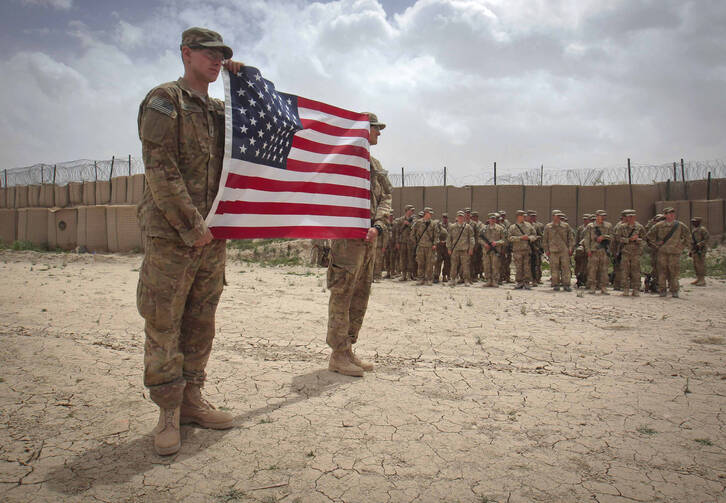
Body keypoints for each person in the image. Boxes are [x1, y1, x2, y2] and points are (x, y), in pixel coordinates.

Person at [136, 27, 242, 455]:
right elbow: (159, 169)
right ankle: (167, 411)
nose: (216, 61)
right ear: (186, 54)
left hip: (212, 237)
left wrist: (242, 80)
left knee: (201, 320)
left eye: (222, 56)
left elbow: (252, 127)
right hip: (172, 236)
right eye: (209, 54)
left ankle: (193, 400)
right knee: (164, 322)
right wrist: (191, 226)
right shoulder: (165, 101)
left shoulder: (219, 110)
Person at [327, 112, 392, 375]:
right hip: (348, 242)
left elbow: (387, 195)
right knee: (342, 294)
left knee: (361, 294)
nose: (379, 134)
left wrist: (378, 224)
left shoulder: (374, 164)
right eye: (376, 129)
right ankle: (337, 354)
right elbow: (329, 195)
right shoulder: (343, 161)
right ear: (363, 131)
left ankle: (349, 348)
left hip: (369, 240)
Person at [645, 207, 691, 297]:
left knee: (674, 272)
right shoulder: (659, 225)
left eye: (673, 213)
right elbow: (649, 236)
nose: (672, 215)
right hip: (662, 252)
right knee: (662, 272)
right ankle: (662, 290)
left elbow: (688, 236)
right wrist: (656, 244)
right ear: (665, 215)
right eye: (669, 213)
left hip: (674, 253)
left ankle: (674, 290)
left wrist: (681, 246)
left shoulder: (679, 225)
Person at [613, 209, 645, 296]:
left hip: (636, 252)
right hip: (625, 252)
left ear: (635, 217)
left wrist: (638, 241)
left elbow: (644, 239)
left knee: (636, 271)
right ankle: (625, 288)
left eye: (632, 217)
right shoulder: (621, 227)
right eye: (628, 217)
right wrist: (628, 239)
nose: (630, 219)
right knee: (625, 271)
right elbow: (617, 238)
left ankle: (636, 289)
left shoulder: (639, 227)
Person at [543, 210, 575, 291]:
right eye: (557, 216)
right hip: (553, 250)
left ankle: (566, 284)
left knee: (566, 268)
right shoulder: (548, 227)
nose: (558, 218)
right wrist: (546, 250)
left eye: (559, 216)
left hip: (564, 250)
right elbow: (545, 240)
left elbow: (571, 238)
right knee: (554, 268)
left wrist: (571, 248)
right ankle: (555, 284)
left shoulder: (566, 226)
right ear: (553, 216)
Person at [583, 210, 613, 295]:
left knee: (604, 270)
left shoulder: (608, 226)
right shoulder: (590, 226)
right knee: (592, 269)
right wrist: (588, 250)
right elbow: (587, 239)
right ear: (596, 216)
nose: (602, 217)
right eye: (600, 216)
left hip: (604, 250)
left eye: (603, 216)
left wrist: (604, 237)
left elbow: (612, 237)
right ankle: (592, 286)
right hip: (594, 250)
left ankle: (603, 287)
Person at [508, 210, 536, 290]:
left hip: (527, 250)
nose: (524, 217)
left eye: (524, 216)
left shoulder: (529, 226)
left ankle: (527, 282)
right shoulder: (512, 227)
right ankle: (519, 282)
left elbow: (534, 235)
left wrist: (529, 238)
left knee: (527, 267)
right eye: (522, 216)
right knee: (519, 267)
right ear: (518, 217)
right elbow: (509, 238)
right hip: (517, 250)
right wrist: (520, 238)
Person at [447, 210, 475, 287]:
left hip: (464, 250)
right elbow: (449, 238)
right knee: (453, 265)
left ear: (464, 218)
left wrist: (471, 248)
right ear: (456, 217)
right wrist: (449, 248)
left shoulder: (468, 227)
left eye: (461, 217)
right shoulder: (452, 227)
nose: (460, 218)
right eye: (459, 216)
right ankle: (452, 279)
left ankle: (466, 280)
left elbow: (471, 238)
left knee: (465, 266)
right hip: (455, 249)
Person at [411, 207, 437, 285]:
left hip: (429, 246)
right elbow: (412, 234)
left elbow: (436, 235)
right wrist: (416, 243)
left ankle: (429, 279)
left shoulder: (433, 223)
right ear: (426, 213)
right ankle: (420, 278)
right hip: (420, 246)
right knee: (420, 263)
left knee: (430, 263)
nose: (431, 215)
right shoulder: (418, 223)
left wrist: (435, 244)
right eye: (429, 213)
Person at [479, 212, 506, 287]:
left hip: (495, 251)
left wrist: (496, 243)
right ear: (488, 219)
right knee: (486, 265)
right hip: (486, 251)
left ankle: (495, 281)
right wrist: (485, 244)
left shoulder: (500, 229)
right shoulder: (483, 229)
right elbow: (479, 239)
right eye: (491, 219)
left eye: (494, 219)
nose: (492, 220)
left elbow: (504, 240)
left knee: (495, 266)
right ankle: (488, 280)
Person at [395, 205, 415, 281]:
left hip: (410, 242)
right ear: (407, 211)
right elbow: (397, 231)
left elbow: (415, 230)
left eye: (412, 211)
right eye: (411, 210)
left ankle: (410, 274)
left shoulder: (413, 220)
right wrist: (397, 242)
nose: (412, 212)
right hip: (402, 241)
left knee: (410, 258)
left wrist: (409, 224)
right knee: (403, 258)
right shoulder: (400, 220)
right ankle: (403, 275)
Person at [690, 217, 709, 286]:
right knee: (695, 265)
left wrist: (699, 244)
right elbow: (692, 241)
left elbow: (706, 239)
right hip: (695, 250)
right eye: (692, 222)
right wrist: (691, 250)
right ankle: (698, 278)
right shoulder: (694, 230)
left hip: (701, 250)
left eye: (695, 222)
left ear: (699, 222)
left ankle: (702, 280)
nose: (693, 223)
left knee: (700, 265)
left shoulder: (703, 229)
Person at [433, 213, 450, 283]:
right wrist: (438, 242)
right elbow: (435, 235)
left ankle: (445, 276)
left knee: (447, 262)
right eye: (443, 218)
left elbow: (451, 236)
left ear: (447, 219)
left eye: (446, 218)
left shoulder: (450, 226)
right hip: (439, 247)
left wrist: (445, 241)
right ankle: (436, 276)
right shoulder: (438, 226)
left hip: (446, 246)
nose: (444, 219)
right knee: (438, 262)